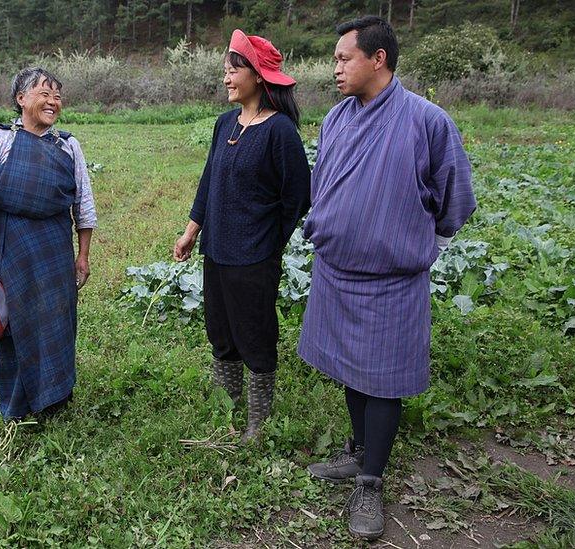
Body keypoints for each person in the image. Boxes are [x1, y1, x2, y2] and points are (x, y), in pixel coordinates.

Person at [299, 16, 476, 540]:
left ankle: (371, 481)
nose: (335, 68)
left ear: (378, 59)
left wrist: (419, 248)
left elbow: (453, 197)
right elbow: (324, 185)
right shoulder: (335, 119)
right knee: (352, 370)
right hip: (336, 270)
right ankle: (357, 454)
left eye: (343, 58)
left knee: (385, 379)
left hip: (393, 279)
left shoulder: (427, 120)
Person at [173, 30, 311, 442]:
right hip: (216, 251)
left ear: (258, 76)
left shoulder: (280, 131)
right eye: (226, 70)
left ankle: (258, 420)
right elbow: (208, 181)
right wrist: (191, 232)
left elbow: (298, 197)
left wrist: (270, 241)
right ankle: (227, 405)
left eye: (234, 69)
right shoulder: (224, 124)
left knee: (255, 333)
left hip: (254, 257)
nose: (227, 77)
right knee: (220, 329)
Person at [0, 67, 98, 421]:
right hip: (12, 245)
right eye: (44, 93)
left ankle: (56, 397)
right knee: (16, 323)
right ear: (21, 99)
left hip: (55, 247)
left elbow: (83, 203)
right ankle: (18, 404)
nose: (53, 101)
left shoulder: (68, 145)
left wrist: (83, 256)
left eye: (57, 95)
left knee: (58, 318)